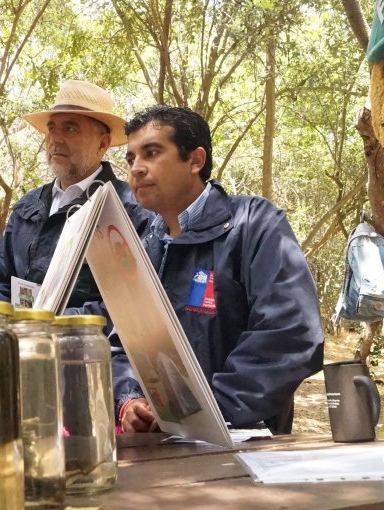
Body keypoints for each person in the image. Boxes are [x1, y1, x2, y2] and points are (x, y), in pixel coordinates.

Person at [115, 105, 324, 434]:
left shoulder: (255, 223)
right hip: (157, 452)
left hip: (243, 447)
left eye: (151, 152)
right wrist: (129, 401)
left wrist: (204, 412)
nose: (136, 169)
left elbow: (291, 333)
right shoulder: (141, 247)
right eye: (130, 159)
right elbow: (123, 341)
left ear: (195, 161)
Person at [0, 80, 151, 314]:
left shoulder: (128, 211)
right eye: (52, 128)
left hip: (89, 348)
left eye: (70, 129)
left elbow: (128, 305)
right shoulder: (27, 207)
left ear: (103, 143)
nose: (55, 139)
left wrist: (51, 325)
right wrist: (4, 328)